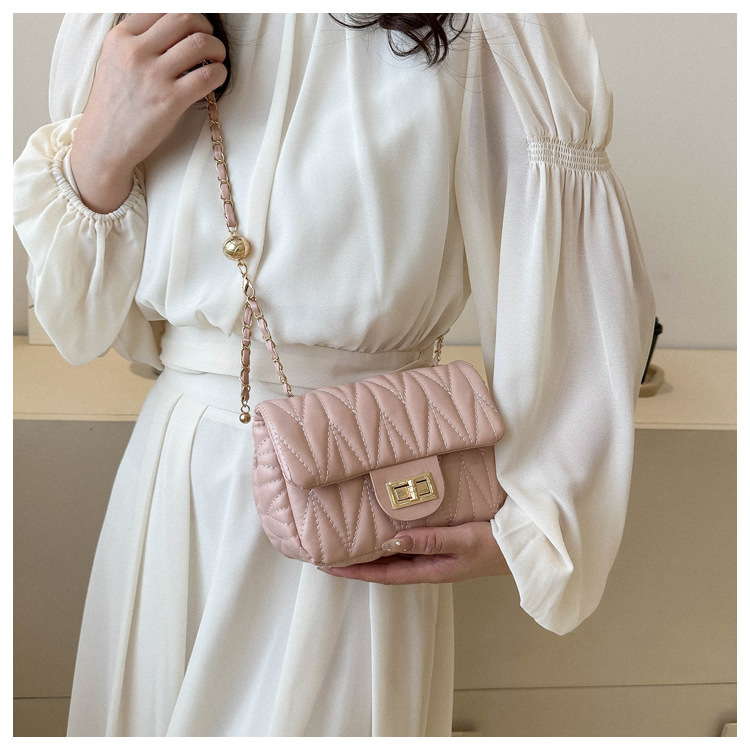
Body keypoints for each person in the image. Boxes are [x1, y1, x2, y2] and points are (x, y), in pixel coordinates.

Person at [13, 13, 655, 737]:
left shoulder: (491, 21)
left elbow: (575, 273)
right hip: (180, 483)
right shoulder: (127, 21)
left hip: (367, 489)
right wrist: (101, 148)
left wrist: (542, 519)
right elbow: (77, 323)